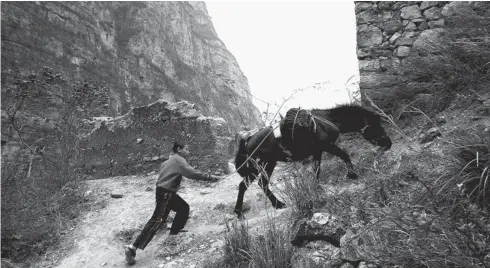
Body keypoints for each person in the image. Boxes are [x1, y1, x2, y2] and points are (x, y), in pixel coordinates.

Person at [124, 141, 223, 265]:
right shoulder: (179, 160)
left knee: (183, 208)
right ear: (179, 149)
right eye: (186, 149)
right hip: (166, 194)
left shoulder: (167, 162)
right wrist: (210, 177)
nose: (188, 151)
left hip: (163, 192)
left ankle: (174, 234)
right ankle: (132, 248)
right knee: (157, 221)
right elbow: (192, 173)